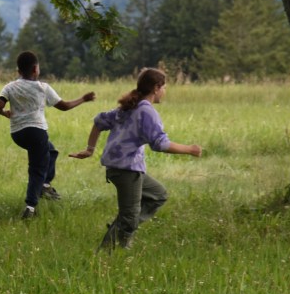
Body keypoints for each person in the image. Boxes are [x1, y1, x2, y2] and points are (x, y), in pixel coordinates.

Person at [69, 67, 202, 250]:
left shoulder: (129, 106)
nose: (165, 91)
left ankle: (122, 228)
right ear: (156, 88)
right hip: (126, 170)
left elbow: (99, 121)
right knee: (129, 217)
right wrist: (190, 150)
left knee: (158, 195)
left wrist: (90, 149)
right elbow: (160, 144)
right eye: (164, 87)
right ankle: (107, 252)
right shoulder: (146, 111)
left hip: (121, 168)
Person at [0, 50, 95, 219]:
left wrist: (5, 113)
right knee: (37, 169)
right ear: (36, 69)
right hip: (36, 132)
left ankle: (45, 185)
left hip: (17, 134)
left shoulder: (9, 87)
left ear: (18, 71)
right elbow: (64, 106)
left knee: (51, 151)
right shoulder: (42, 87)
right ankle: (31, 206)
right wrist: (83, 99)